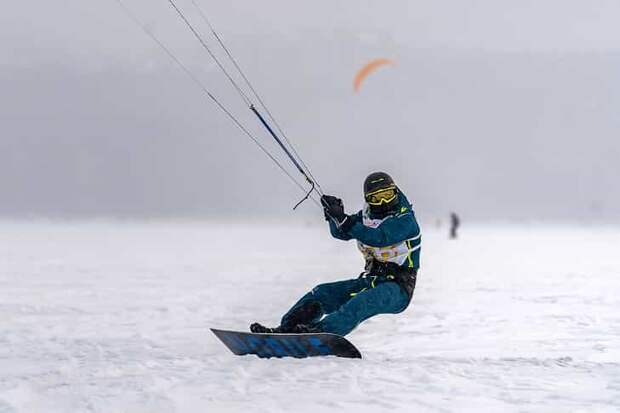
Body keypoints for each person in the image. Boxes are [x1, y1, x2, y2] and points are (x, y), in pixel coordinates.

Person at [250, 172, 421, 336]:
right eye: (376, 198)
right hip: (373, 280)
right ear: (368, 200)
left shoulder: (405, 219)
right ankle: (287, 329)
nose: (383, 202)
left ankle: (321, 333)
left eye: (388, 195)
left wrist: (346, 221)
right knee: (322, 293)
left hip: (399, 288)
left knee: (360, 303)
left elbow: (379, 238)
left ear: (396, 192)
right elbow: (341, 233)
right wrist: (334, 215)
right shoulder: (366, 217)